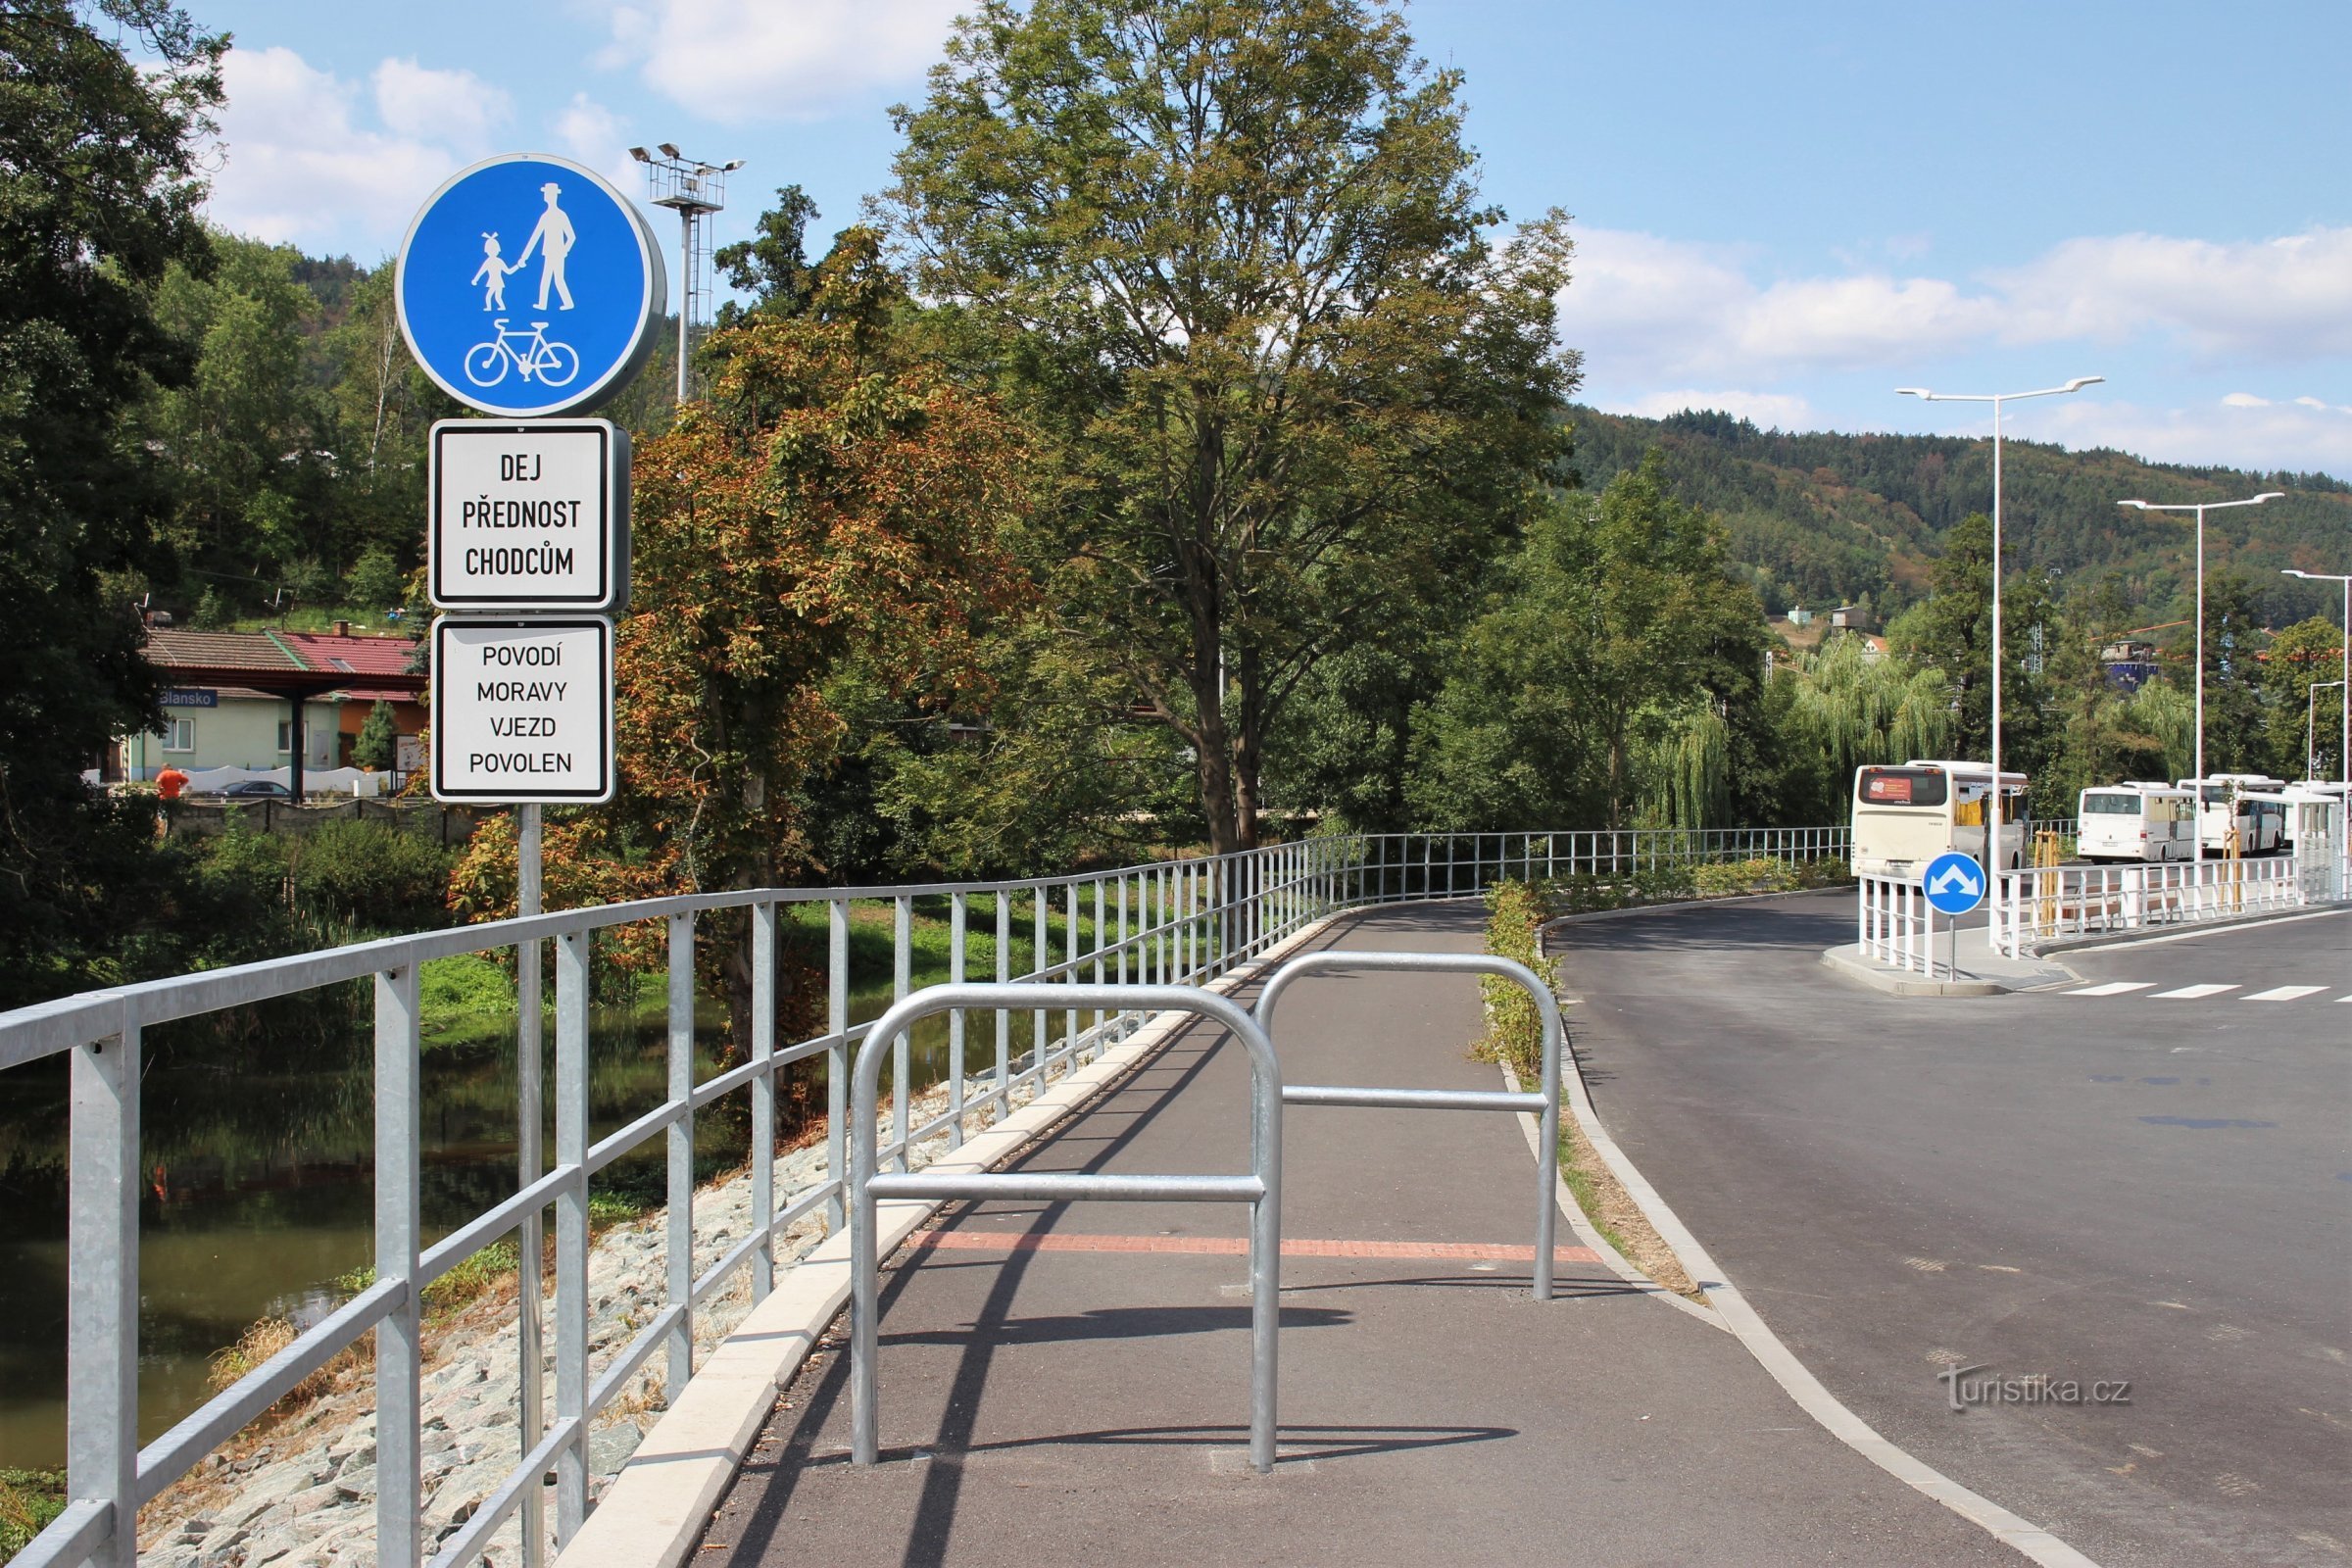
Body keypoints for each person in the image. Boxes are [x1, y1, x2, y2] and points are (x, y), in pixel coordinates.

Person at [515, 182, 576, 312]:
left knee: (557, 279)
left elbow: (571, 236)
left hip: (557, 253)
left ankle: (566, 303)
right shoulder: (545, 216)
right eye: (546, 194)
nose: (546, 196)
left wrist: (564, 251)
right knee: (549, 278)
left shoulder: (560, 215)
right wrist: (524, 257)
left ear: (553, 196)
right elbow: (535, 237)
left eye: (548, 194)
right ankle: (544, 304)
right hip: (549, 253)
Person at [470, 232, 516, 311]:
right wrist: (475, 279)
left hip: (497, 282)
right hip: (493, 281)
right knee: (492, 296)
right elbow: (481, 271)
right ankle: (493, 307)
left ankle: (499, 307)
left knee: (495, 296)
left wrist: (517, 266)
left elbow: (508, 271)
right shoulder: (488, 261)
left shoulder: (498, 261)